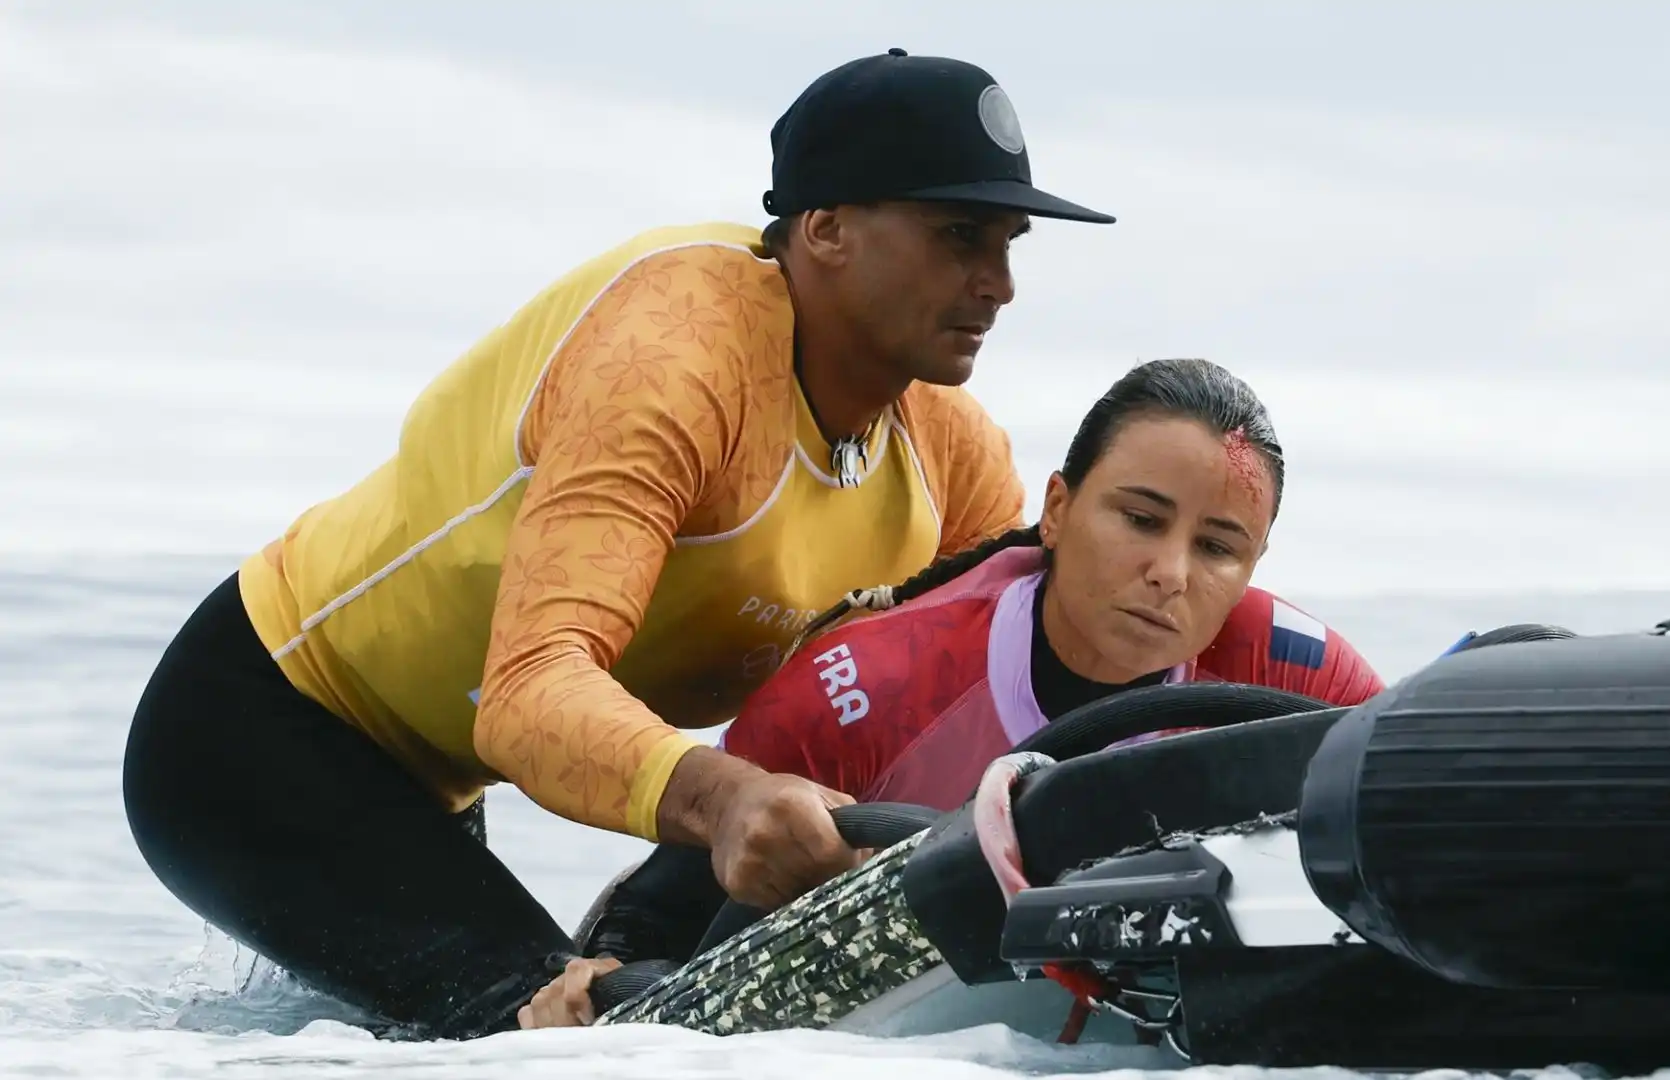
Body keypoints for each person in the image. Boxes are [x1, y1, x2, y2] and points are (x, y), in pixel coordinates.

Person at [119, 48, 1115, 1042]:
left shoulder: (951, 454)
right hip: (264, 732)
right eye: (960, 237)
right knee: (554, 1027)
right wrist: (726, 807)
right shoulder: (674, 359)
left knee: (586, 1006)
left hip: (435, 788)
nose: (1000, 285)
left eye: (1009, 244)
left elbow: (986, 697)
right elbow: (530, 689)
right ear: (827, 227)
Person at [519, 356, 1387, 1029]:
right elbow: (668, 904)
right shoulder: (871, 683)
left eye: (1218, 547)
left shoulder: (1297, 676)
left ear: (1253, 568)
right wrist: (597, 985)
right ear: (1056, 509)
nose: (1168, 574)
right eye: (1140, 519)